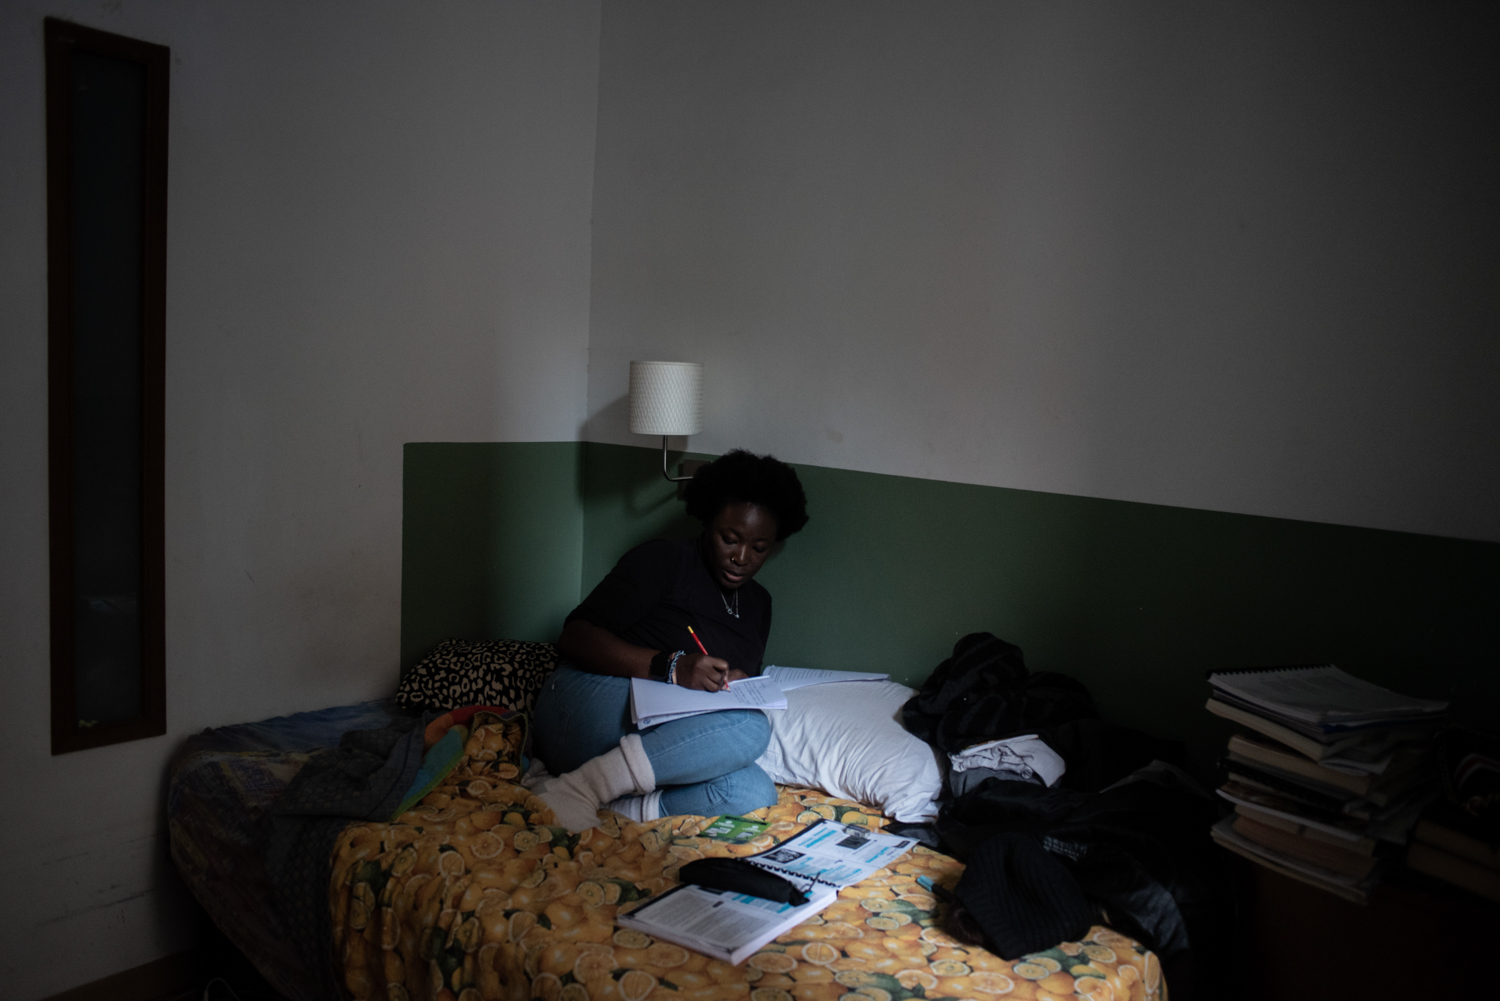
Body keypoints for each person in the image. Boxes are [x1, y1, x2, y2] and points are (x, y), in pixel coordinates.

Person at [532, 450, 809, 832]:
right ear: (708, 520)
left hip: (657, 735)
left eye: (759, 548)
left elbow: (723, 701)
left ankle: (616, 807)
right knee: (750, 727)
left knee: (753, 791)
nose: (741, 557)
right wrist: (674, 667)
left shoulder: (759, 604)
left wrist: (736, 681)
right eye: (729, 539)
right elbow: (575, 637)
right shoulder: (664, 560)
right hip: (582, 703)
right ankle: (579, 789)